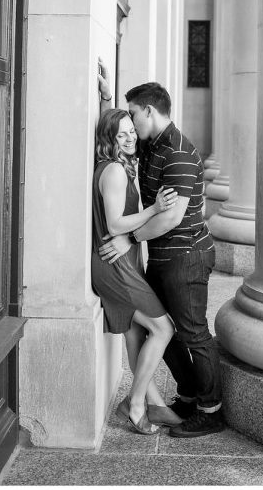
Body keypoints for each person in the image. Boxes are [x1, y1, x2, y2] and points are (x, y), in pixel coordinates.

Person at [98, 64, 224, 438]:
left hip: (186, 257)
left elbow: (170, 219)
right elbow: (117, 131)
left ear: (149, 112)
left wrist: (131, 239)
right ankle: (187, 396)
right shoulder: (152, 143)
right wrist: (106, 99)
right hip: (161, 259)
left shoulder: (182, 153)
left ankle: (211, 409)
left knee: (192, 333)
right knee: (165, 331)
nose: (132, 124)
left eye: (135, 114)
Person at [92, 108, 184, 434]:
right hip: (115, 266)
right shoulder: (115, 171)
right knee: (163, 329)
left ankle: (154, 404)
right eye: (123, 134)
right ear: (109, 139)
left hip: (124, 261)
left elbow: (115, 121)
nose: (131, 137)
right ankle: (134, 404)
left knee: (136, 335)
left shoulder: (119, 163)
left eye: (132, 130)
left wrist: (105, 95)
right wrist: (156, 209)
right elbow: (116, 223)